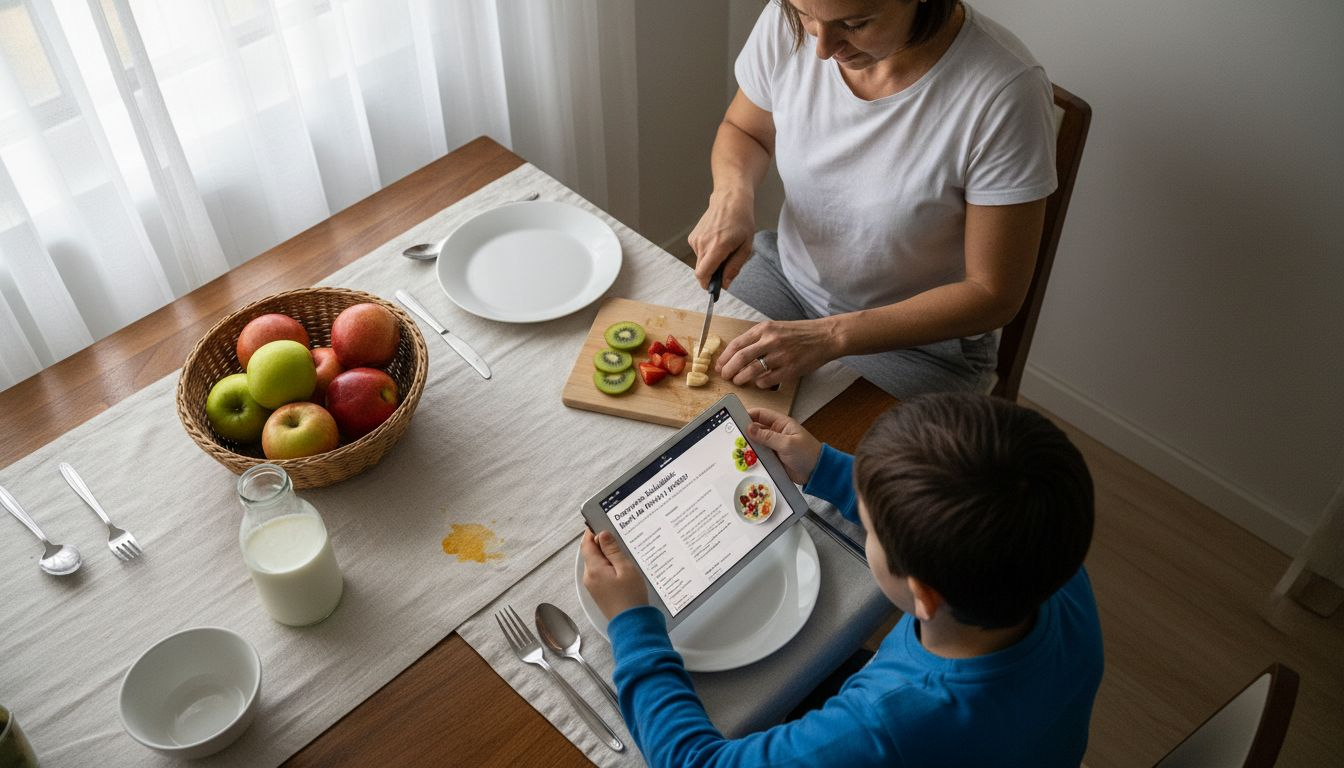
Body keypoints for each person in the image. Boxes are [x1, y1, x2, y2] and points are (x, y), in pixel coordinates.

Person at [581, 392, 1103, 767]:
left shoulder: (886, 724)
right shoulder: (1049, 561)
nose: (862, 522)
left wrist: (633, 624)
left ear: (922, 595)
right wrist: (827, 468)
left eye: (871, 528)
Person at [688, 0, 1058, 398]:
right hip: (787, 278)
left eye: (855, 23)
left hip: (919, 346)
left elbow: (993, 294)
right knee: (697, 404)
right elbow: (746, 130)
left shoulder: (1004, 92)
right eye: (805, 15)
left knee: (816, 455)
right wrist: (731, 196)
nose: (823, 49)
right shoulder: (790, 19)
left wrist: (828, 337)